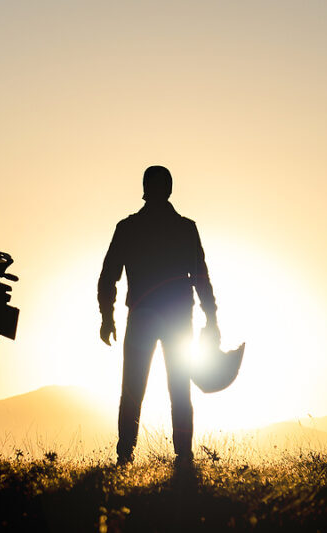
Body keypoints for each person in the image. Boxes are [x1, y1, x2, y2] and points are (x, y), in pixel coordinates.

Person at [97, 165, 219, 467]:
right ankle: (183, 457)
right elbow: (201, 278)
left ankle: (125, 455)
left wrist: (107, 317)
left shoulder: (128, 228)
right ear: (169, 190)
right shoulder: (185, 228)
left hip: (142, 317)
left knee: (133, 389)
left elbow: (108, 276)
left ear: (145, 189)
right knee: (179, 388)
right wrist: (212, 318)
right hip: (177, 318)